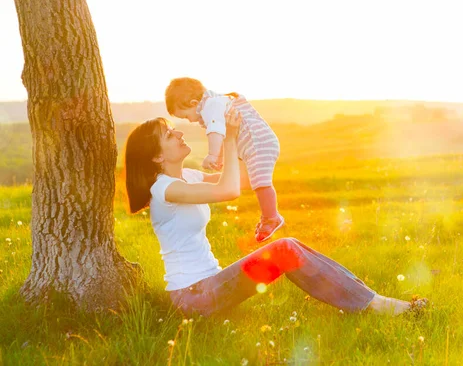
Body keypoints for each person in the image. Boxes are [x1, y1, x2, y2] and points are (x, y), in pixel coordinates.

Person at [124, 110, 428, 317]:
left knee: (293, 248)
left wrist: (244, 133)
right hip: (192, 297)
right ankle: (378, 306)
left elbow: (242, 179)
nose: (178, 133)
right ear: (157, 155)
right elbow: (228, 191)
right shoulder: (163, 189)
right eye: (168, 134)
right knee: (285, 249)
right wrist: (227, 139)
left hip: (210, 284)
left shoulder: (186, 178)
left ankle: (367, 297)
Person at [164, 77, 283, 242]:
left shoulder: (212, 105)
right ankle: (268, 216)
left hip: (258, 143)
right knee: (248, 181)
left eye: (186, 116)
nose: (190, 120)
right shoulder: (214, 105)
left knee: (261, 183)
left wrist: (212, 155)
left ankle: (271, 217)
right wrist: (220, 157)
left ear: (193, 103)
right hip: (249, 146)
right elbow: (224, 133)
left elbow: (216, 129)